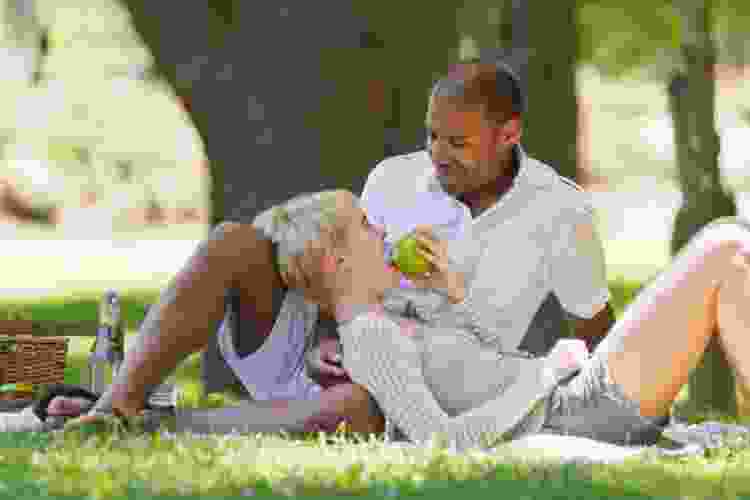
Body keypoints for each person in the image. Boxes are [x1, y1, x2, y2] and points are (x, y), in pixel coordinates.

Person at [284, 191, 750, 450]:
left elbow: (485, 359)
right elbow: (441, 441)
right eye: (366, 225)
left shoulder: (386, 318)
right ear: (337, 264)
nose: (382, 230)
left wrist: (451, 293)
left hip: (574, 400)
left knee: (729, 254)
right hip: (576, 412)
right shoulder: (371, 340)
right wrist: (546, 374)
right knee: (724, 247)